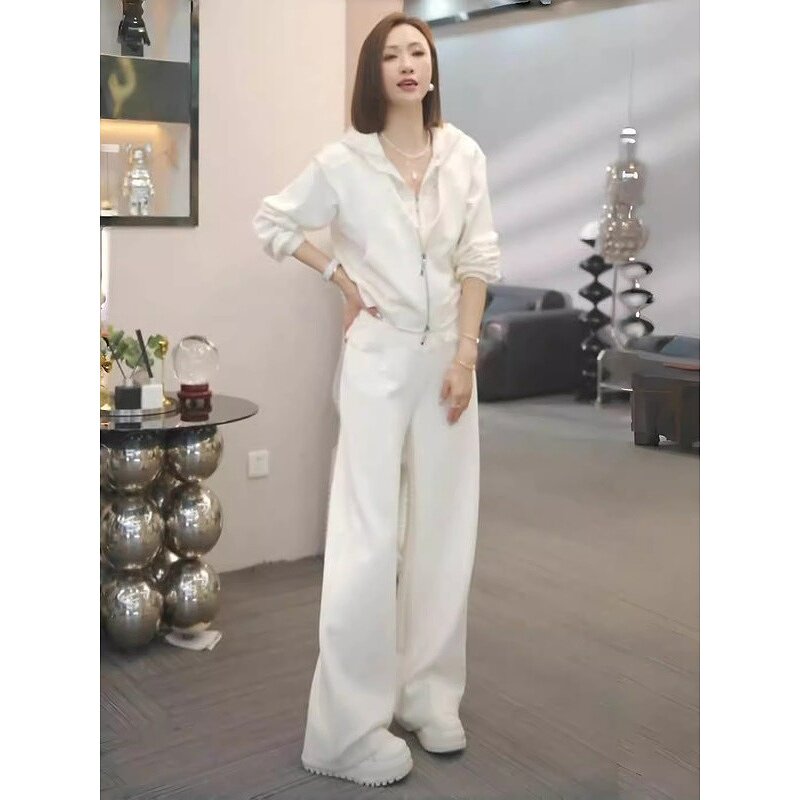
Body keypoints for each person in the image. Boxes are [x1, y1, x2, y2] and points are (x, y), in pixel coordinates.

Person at [253, 11, 502, 788]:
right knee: (367, 541)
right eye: (390, 54)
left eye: (417, 51)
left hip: (447, 365)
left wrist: (465, 355)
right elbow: (272, 221)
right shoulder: (345, 160)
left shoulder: (464, 155)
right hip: (376, 362)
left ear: (431, 69)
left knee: (445, 532)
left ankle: (429, 697)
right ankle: (346, 731)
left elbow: (478, 258)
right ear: (375, 73)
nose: (406, 63)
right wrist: (340, 277)